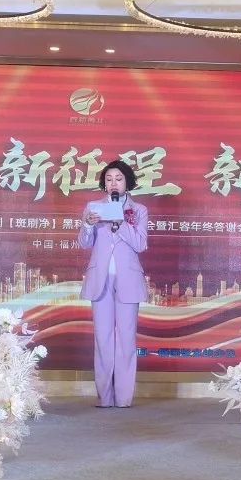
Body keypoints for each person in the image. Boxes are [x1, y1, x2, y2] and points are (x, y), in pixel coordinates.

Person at [78, 160, 149, 408]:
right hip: (100, 280)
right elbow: (84, 243)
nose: (113, 183)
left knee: (126, 339)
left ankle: (124, 397)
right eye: (109, 179)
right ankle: (105, 397)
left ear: (127, 182)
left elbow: (140, 244)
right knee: (103, 339)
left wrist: (121, 224)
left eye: (118, 179)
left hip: (128, 279)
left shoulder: (138, 210)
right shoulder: (93, 207)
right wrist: (88, 224)